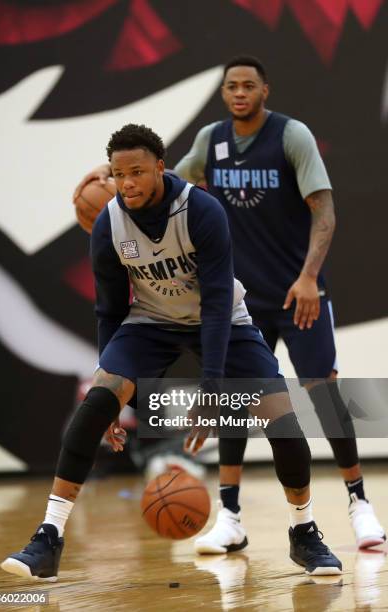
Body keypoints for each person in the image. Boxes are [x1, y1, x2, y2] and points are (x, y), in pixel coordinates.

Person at [73, 57, 385, 555]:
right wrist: (111, 177)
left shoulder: (291, 136)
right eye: (230, 86)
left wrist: (308, 276)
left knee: (322, 393)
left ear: (265, 89)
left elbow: (323, 207)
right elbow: (162, 176)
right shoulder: (212, 141)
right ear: (223, 93)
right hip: (242, 294)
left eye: (248, 85)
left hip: (297, 290)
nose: (239, 92)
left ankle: (359, 504)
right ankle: (231, 516)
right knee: (238, 404)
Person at [1, 124, 342, 581]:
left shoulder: (201, 211)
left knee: (283, 420)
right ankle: (48, 536)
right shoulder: (108, 223)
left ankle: (304, 533)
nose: (127, 184)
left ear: (161, 168)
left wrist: (213, 389)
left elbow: (218, 303)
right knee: (95, 403)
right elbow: (108, 309)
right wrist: (114, 396)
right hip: (152, 323)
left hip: (220, 320)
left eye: (137, 172)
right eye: (119, 175)